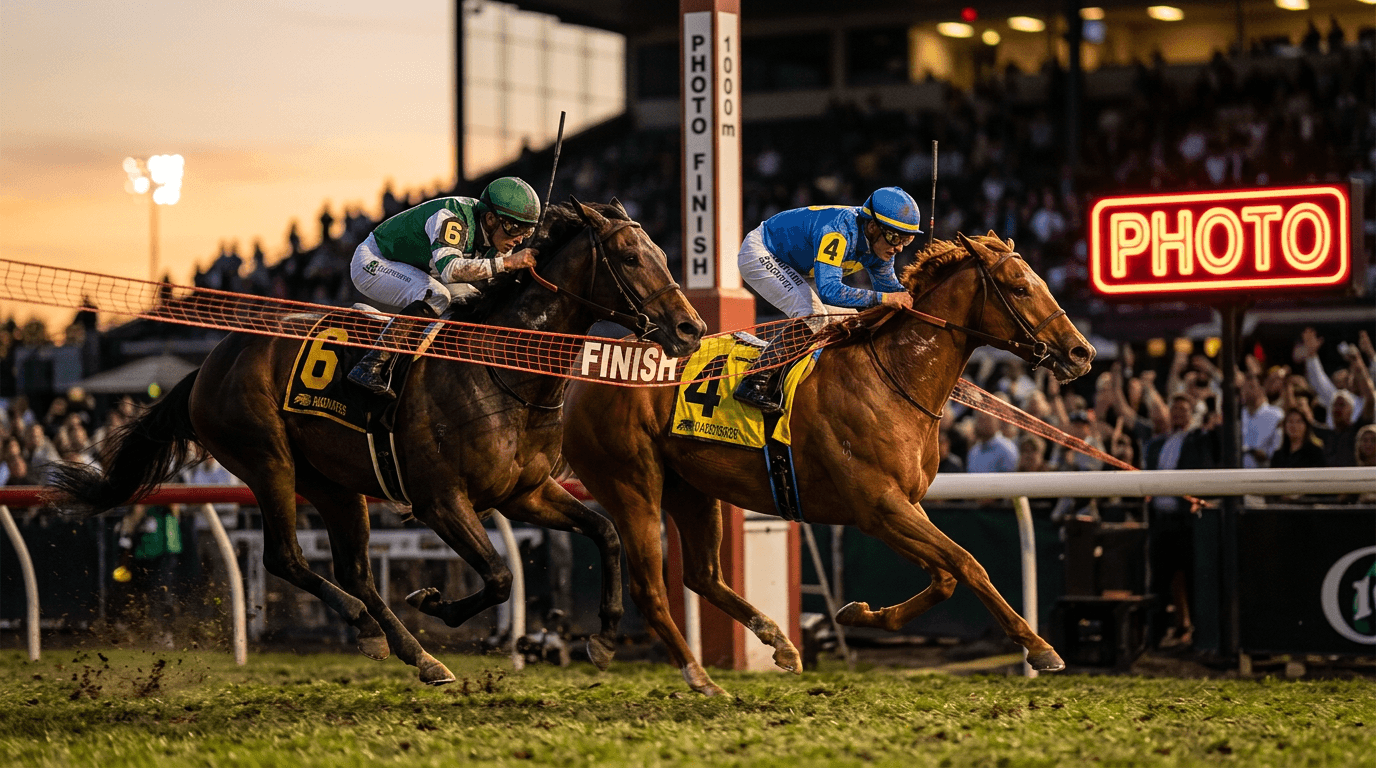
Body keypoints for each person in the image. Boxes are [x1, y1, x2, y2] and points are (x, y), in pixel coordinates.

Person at [346, 177, 543, 398]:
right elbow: (450, 270)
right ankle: (370, 365)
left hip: (417, 268)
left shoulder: (498, 237)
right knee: (436, 296)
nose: (518, 239)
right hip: (373, 261)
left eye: (526, 231)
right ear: (490, 219)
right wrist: (507, 264)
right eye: (514, 228)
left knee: (473, 298)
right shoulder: (452, 217)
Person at [732, 186, 920, 413]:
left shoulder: (881, 247)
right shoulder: (838, 232)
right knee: (812, 314)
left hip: (800, 266)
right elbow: (830, 290)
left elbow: (892, 292)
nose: (899, 247)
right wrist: (884, 298)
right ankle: (754, 380)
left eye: (906, 240)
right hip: (762, 251)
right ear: (872, 227)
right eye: (894, 237)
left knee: (850, 319)